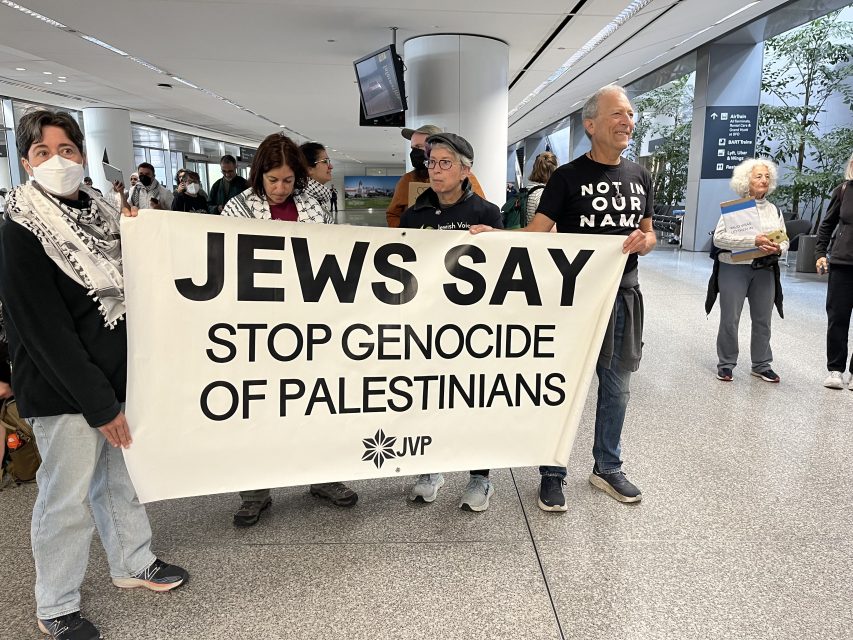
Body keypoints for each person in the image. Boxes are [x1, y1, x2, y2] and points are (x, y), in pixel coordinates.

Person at [0, 109, 187, 640]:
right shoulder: (20, 229)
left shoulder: (106, 214)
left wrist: (142, 230)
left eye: (67, 149)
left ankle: (133, 562)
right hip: (65, 391)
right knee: (66, 498)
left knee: (122, 480)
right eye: (42, 152)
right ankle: (55, 604)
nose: (57, 161)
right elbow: (44, 332)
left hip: (117, 378)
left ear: (82, 154)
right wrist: (98, 405)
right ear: (26, 161)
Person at [473, 84, 656, 511]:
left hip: (623, 296)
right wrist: (496, 237)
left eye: (629, 113)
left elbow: (649, 232)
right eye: (616, 114)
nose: (626, 120)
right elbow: (539, 233)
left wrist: (646, 241)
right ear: (591, 125)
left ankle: (607, 467)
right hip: (572, 300)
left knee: (617, 387)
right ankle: (552, 472)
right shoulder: (567, 177)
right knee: (561, 386)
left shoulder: (640, 175)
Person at [222, 132, 358, 526]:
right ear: (259, 176)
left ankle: (324, 478)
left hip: (309, 323)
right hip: (257, 325)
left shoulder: (312, 206)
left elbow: (329, 255)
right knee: (258, 407)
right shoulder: (238, 207)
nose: (280, 189)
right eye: (272, 180)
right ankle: (255, 492)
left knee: (317, 402)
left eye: (287, 180)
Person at [401, 132, 503, 512]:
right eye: (432, 162)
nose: (436, 170)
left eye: (445, 163)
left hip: (472, 328)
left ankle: (480, 477)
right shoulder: (415, 214)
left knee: (473, 401)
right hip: (427, 325)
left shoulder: (487, 214)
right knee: (428, 398)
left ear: (465, 170)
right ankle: (430, 468)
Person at [709, 158, 787, 385]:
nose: (764, 180)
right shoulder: (734, 208)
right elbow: (719, 237)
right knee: (730, 318)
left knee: (763, 320)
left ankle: (761, 365)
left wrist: (777, 247)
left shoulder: (773, 209)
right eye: (758, 176)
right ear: (746, 181)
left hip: (764, 268)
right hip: (733, 267)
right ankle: (726, 364)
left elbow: (784, 239)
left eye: (766, 176)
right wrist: (753, 240)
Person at [386, 124, 486, 228]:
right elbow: (393, 214)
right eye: (413, 147)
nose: (415, 152)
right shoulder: (407, 180)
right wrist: (405, 235)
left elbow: (481, 210)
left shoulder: (466, 178)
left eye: (420, 147)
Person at [816, 150, 853, 390]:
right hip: (843, 264)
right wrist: (820, 253)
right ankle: (835, 369)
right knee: (838, 318)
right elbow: (827, 224)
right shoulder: (843, 191)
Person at [299, 141, 335, 223]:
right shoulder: (304, 202)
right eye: (325, 161)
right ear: (309, 169)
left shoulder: (317, 198)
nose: (331, 166)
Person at [525, 151, 559, 226]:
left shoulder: (528, 188)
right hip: (539, 236)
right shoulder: (544, 194)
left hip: (527, 233)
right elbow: (550, 229)